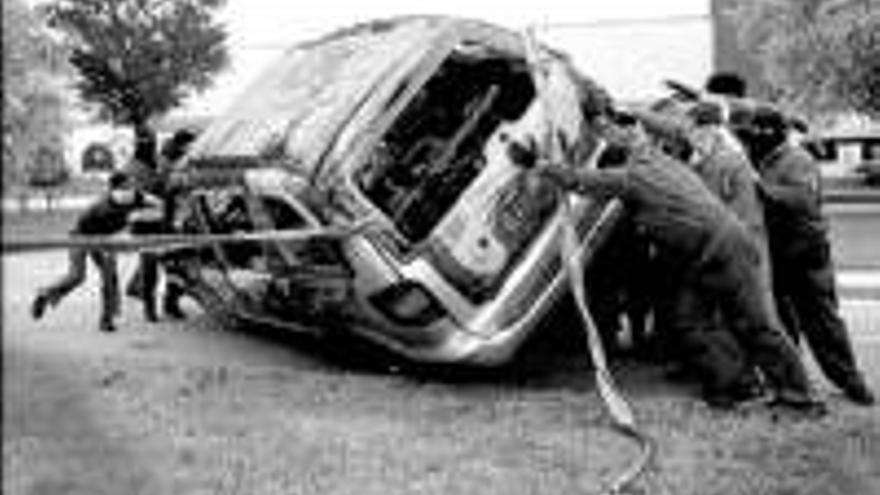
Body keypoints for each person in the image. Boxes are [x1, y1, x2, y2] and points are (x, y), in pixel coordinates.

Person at [536, 117, 824, 413]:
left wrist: (539, 164)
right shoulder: (658, 159)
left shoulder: (633, 178)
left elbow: (580, 180)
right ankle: (738, 388)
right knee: (691, 320)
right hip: (706, 253)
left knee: (756, 324)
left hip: (724, 249)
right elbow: (658, 134)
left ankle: (801, 398)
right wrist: (610, 119)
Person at [746, 106, 875, 406]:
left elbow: (799, 199)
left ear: (778, 132)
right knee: (782, 323)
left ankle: (851, 381)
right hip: (778, 253)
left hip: (806, 252)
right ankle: (793, 385)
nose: (756, 136)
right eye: (754, 131)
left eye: (762, 130)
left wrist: (759, 187)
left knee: (822, 322)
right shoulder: (762, 158)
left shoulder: (797, 159)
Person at [31, 172, 160, 332]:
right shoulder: (104, 208)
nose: (130, 190)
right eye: (125, 187)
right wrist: (134, 220)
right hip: (82, 237)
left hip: (103, 238)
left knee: (109, 275)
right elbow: (116, 233)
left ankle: (106, 319)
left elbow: (156, 202)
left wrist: (155, 207)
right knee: (77, 276)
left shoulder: (134, 196)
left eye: (130, 186)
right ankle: (45, 295)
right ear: (114, 190)